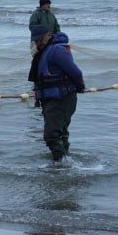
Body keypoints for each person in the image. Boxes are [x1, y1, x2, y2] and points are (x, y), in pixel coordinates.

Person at [28, 26, 85, 162]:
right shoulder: (44, 51)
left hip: (61, 98)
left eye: (38, 40)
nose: (36, 44)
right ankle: (65, 162)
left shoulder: (57, 51)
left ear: (47, 36)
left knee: (51, 135)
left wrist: (80, 88)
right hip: (52, 98)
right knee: (60, 133)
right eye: (34, 41)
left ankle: (61, 164)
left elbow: (76, 73)